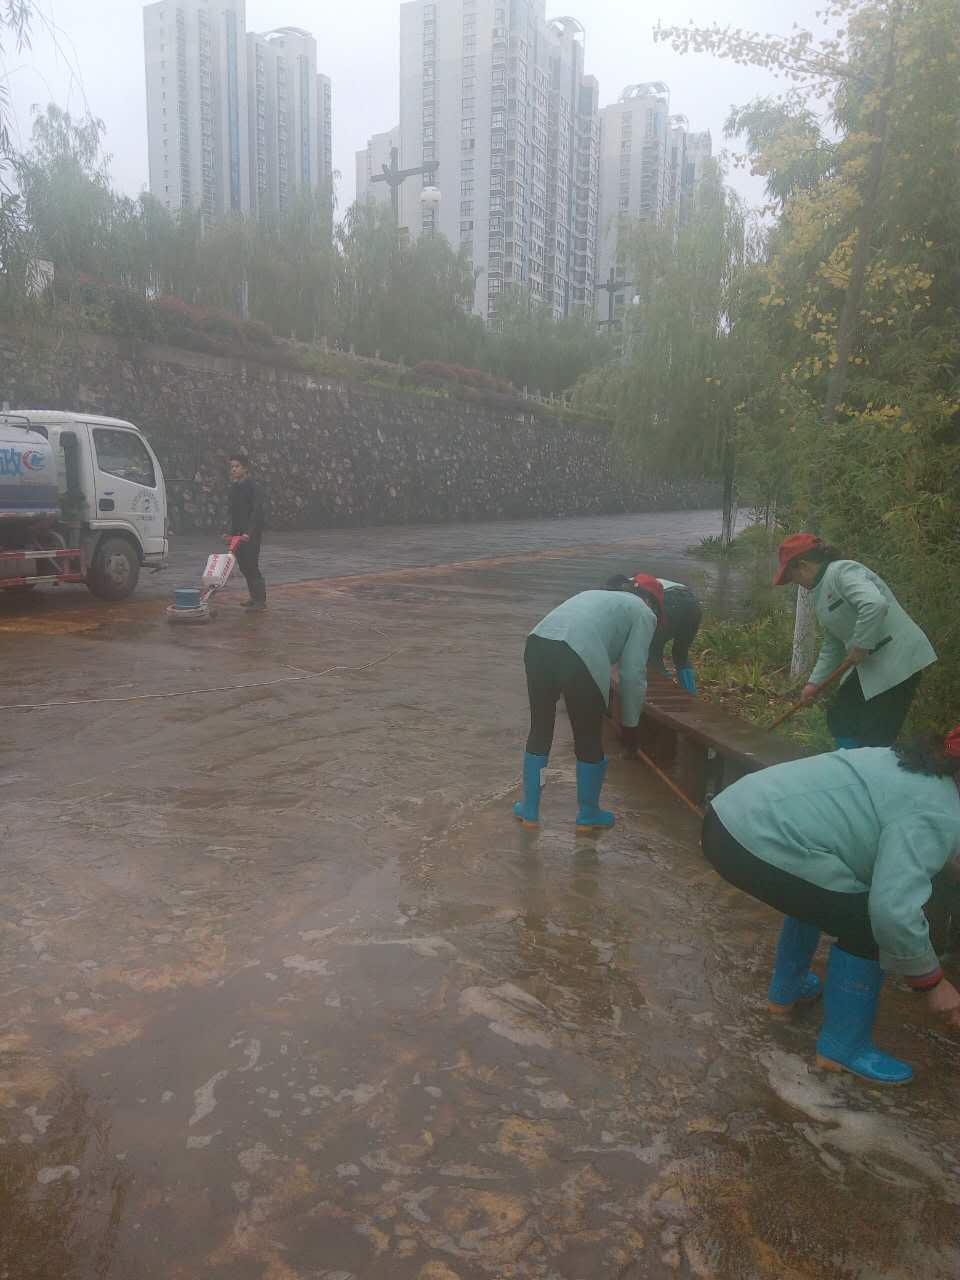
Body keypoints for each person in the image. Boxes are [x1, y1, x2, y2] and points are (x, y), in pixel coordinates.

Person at [700, 730, 960, 1085]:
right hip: (756, 838)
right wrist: (932, 984)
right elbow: (892, 912)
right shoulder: (937, 810)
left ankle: (787, 992)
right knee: (866, 922)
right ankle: (843, 1048)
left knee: (823, 890)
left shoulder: (908, 764)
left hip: (731, 814)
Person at [513, 576, 664, 833]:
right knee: (588, 737)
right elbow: (632, 674)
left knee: (540, 729)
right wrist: (630, 728)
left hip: (538, 643)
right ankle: (588, 814)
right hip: (579, 654)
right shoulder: (644, 613)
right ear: (653, 604)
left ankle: (529, 811)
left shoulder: (597, 596)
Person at [773, 533, 936, 747]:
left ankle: (867, 763)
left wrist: (861, 645)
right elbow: (832, 644)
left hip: (899, 658)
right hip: (871, 662)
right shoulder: (819, 595)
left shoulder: (842, 571)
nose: (795, 582)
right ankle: (849, 758)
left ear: (802, 565)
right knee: (841, 718)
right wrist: (814, 684)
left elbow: (874, 604)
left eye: (791, 576)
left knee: (876, 733)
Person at [607, 573, 702, 692]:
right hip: (692, 603)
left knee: (653, 652)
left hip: (669, 599)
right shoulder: (635, 584)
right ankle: (690, 692)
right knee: (681, 653)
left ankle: (663, 694)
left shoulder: (627, 592)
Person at [227, 453, 267, 610]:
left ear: (245, 468)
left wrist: (249, 533)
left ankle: (260, 601)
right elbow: (232, 513)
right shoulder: (234, 488)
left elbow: (256, 512)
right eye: (232, 467)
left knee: (252, 566)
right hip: (237, 535)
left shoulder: (254, 487)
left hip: (250, 536)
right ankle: (253, 597)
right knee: (244, 567)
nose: (233, 469)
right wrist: (229, 532)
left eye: (237, 466)